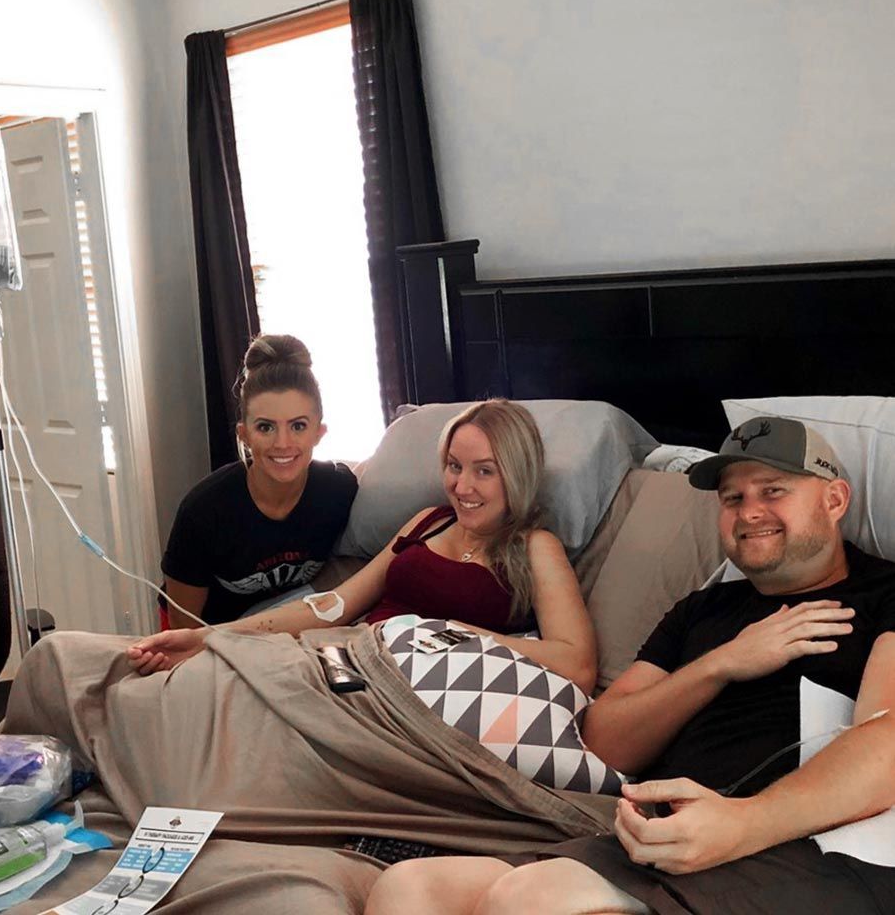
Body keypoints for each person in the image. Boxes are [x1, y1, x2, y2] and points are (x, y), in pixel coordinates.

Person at [364, 415, 895, 915]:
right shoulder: (701, 611)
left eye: (772, 491)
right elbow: (606, 740)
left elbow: (887, 741)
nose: (749, 512)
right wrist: (723, 664)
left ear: (834, 499)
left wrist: (744, 823)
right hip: (655, 839)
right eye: (733, 498)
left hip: (800, 847)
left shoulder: (885, 595)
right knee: (410, 888)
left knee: (529, 899)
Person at [129, 398, 597, 693]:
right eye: (454, 466)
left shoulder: (535, 547)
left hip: (411, 690)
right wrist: (211, 638)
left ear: (517, 473)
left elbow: (577, 665)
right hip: (347, 661)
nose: (462, 486)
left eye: (484, 471)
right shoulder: (428, 522)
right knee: (146, 678)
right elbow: (333, 606)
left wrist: (463, 636)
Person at [159, 334, 357, 627]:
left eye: (298, 426)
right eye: (265, 427)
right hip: (205, 630)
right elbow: (184, 629)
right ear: (244, 435)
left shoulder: (339, 491)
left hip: (286, 627)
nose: (283, 443)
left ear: (319, 432)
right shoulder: (203, 512)